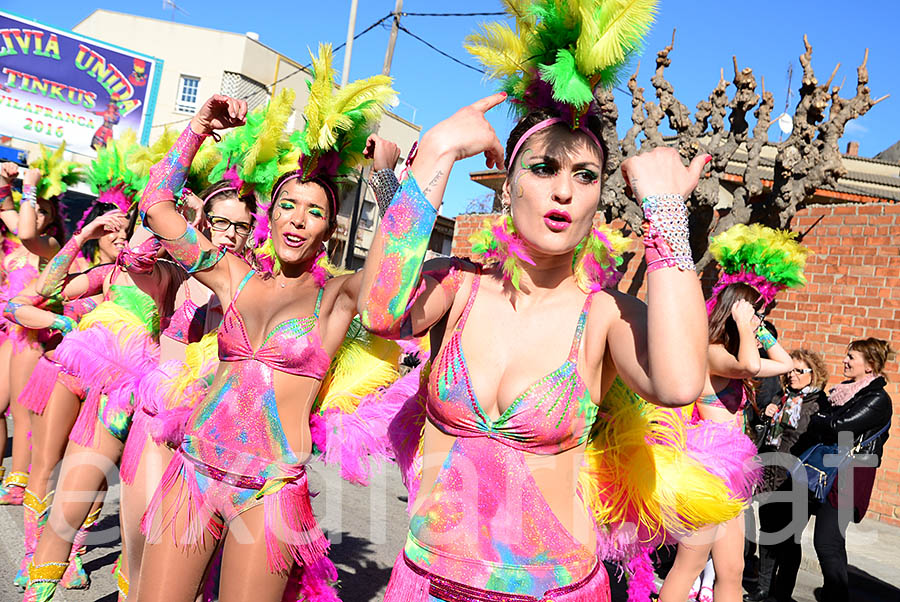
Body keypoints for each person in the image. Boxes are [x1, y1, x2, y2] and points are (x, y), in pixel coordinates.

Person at [360, 2, 710, 599]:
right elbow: (380, 312)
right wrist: (437, 152)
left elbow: (678, 384)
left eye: (586, 176)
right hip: (425, 582)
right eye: (544, 168)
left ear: (602, 197)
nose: (563, 192)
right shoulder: (457, 285)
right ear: (509, 184)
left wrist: (667, 215)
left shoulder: (602, 313)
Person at [137, 46, 397, 601]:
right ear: (269, 214)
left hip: (270, 489)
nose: (298, 220)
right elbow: (157, 207)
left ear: (330, 228)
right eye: (287, 205)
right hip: (194, 469)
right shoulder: (234, 277)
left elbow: (395, 282)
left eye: (315, 211)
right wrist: (197, 131)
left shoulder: (339, 298)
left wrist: (385, 179)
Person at [660, 224, 805, 602]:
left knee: (733, 569)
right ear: (735, 314)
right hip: (709, 468)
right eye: (757, 315)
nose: (760, 321)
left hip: (733, 471)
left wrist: (760, 331)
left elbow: (785, 363)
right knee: (691, 563)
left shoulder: (736, 351)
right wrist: (743, 323)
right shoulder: (711, 351)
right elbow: (749, 367)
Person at [777, 338, 894, 602]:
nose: (845, 360)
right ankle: (779, 594)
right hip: (818, 467)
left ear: (870, 365)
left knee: (827, 542)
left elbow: (837, 426)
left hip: (849, 476)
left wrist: (821, 419)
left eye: (852, 357)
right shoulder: (842, 391)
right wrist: (824, 420)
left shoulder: (877, 398)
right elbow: (826, 422)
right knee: (789, 534)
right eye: (847, 355)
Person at [0, 149, 82, 506]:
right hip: (9, 329)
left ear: (50, 219)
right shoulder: (15, 242)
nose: (34, 214)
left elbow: (27, 230)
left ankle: (19, 482)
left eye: (43, 210)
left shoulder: (49, 247)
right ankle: (11, 475)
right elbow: (7, 211)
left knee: (21, 408)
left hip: (33, 334)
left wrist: (29, 190)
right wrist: (7, 181)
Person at [743, 349, 828, 602]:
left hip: (795, 478)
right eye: (790, 370)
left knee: (790, 540)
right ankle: (763, 588)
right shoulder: (782, 398)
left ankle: (782, 593)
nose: (791, 375)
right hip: (771, 473)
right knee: (768, 533)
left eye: (798, 371)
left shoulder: (818, 404)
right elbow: (767, 436)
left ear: (813, 375)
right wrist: (766, 415)